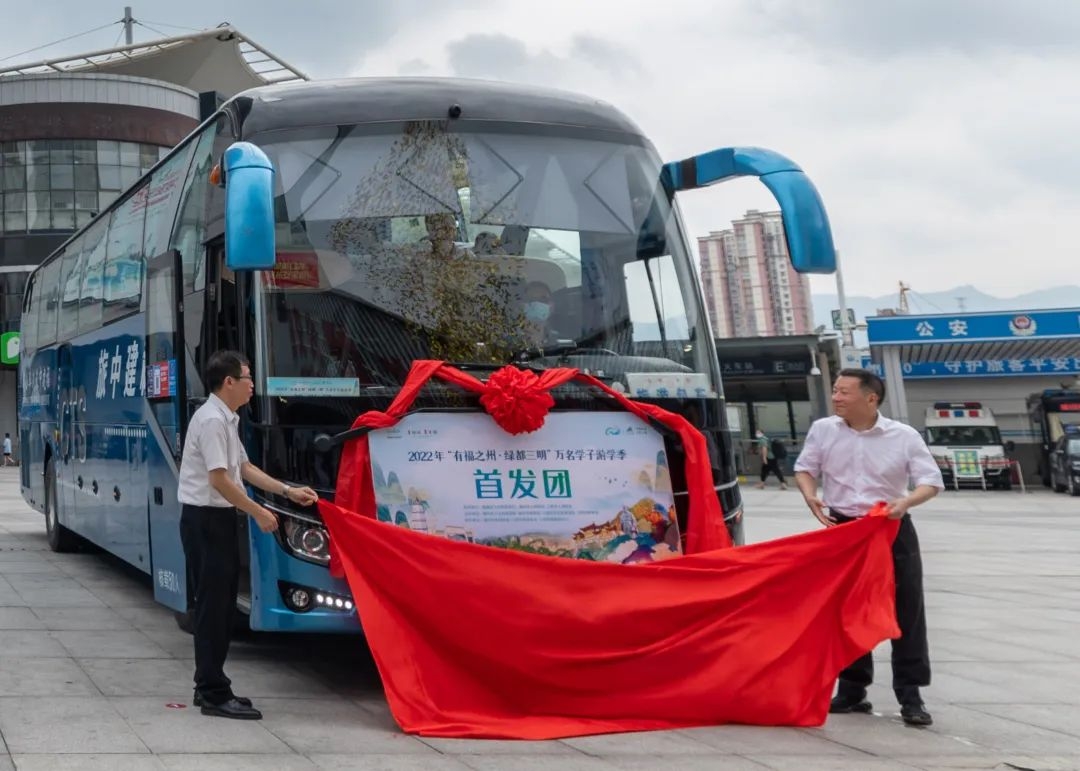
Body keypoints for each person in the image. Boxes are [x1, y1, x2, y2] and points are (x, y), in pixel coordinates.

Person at [793, 369, 943, 727]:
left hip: (890, 528)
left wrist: (905, 503)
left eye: (844, 392)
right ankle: (851, 690)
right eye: (835, 391)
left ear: (870, 398)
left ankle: (911, 695)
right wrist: (810, 494)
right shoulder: (824, 430)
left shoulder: (902, 436)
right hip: (844, 530)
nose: (837, 398)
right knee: (846, 610)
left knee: (907, 609)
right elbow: (805, 468)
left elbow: (930, 481)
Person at [178, 350, 318, 720]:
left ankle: (213, 684)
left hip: (217, 520)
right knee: (211, 609)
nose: (253, 384)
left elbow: (245, 468)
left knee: (222, 608)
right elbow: (219, 479)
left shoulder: (227, 419)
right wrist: (257, 512)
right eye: (247, 377)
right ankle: (210, 693)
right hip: (204, 520)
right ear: (228, 383)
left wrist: (289, 492)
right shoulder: (210, 420)